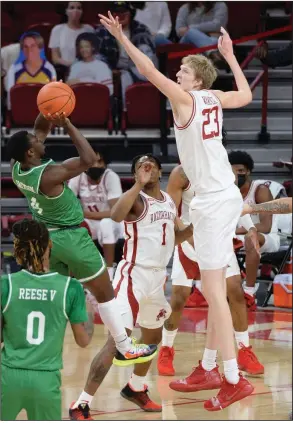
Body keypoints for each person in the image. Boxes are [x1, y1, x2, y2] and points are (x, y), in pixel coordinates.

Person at [98, 11, 254, 411]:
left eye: (184, 69)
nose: (179, 72)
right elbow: (246, 96)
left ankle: (233, 379)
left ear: (196, 80)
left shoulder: (185, 98)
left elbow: (147, 69)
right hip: (214, 198)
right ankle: (207, 367)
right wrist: (232, 57)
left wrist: (121, 37)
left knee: (216, 293)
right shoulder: (214, 98)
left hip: (215, 199)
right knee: (212, 287)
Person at [6, 110, 157, 370]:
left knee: (54, 296)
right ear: (31, 153)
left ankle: (37, 352)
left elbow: (38, 129)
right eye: (35, 141)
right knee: (105, 292)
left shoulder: (18, 167)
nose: (39, 139)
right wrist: (66, 122)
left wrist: (48, 108)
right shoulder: (50, 174)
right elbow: (88, 159)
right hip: (71, 238)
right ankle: (124, 347)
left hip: (47, 241)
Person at [69, 154, 194, 419]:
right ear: (136, 173)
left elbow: (178, 236)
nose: (147, 169)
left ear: (160, 171)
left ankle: (136, 387)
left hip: (158, 279)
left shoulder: (170, 201)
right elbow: (115, 216)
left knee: (153, 336)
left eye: (151, 165)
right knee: (117, 341)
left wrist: (200, 226)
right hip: (133, 276)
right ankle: (81, 402)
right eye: (140, 167)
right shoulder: (136, 200)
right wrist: (138, 184)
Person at [157, 165, 264, 382]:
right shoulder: (182, 173)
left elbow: (235, 204)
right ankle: (166, 349)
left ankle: (244, 349)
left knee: (234, 292)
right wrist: (187, 236)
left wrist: (251, 228)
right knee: (178, 298)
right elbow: (171, 211)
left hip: (217, 239)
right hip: (190, 238)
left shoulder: (222, 168)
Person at [1, 218, 92, 420]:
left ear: (18, 250)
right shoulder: (70, 287)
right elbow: (83, 340)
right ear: (48, 245)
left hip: (8, 377)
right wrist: (90, 309)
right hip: (46, 378)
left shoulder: (5, 285)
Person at [229, 150, 281, 310]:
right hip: (237, 238)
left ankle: (249, 292)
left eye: (240, 171)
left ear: (249, 171)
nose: (236, 175)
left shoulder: (260, 190)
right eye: (232, 171)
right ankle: (204, 288)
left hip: (268, 238)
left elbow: (266, 226)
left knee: (249, 238)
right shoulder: (227, 192)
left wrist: (234, 232)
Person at [68, 148, 123, 281]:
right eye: (92, 162)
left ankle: (109, 271)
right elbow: (69, 205)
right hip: (90, 221)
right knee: (72, 228)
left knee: (105, 224)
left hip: (113, 222)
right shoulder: (78, 177)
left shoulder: (111, 177)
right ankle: (71, 277)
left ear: (105, 163)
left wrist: (86, 214)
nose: (96, 166)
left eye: (100, 162)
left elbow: (115, 212)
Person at [95, 2, 157, 108]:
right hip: (114, 69)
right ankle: (125, 114)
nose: (120, 15)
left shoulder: (141, 29)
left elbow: (150, 53)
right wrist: (110, 70)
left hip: (138, 67)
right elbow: (98, 56)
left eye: (124, 12)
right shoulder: (102, 31)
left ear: (131, 13)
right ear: (111, 15)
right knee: (124, 78)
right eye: (117, 12)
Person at [6, 32, 56, 109]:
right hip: (21, 112)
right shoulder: (14, 69)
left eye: (33, 46)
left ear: (40, 48)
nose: (29, 50)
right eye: (25, 47)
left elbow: (54, 96)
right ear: (22, 49)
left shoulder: (49, 69)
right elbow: (10, 99)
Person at [49, 1, 94, 78]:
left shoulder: (89, 29)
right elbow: (55, 58)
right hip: (65, 70)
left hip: (88, 70)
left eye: (79, 8)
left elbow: (94, 53)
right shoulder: (57, 30)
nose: (75, 11)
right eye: (72, 8)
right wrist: (72, 65)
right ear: (66, 11)